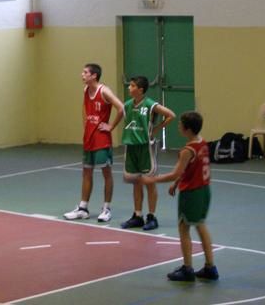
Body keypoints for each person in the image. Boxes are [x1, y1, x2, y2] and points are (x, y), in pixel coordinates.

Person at [140, 111, 219, 282]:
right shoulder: (203, 143)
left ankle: (187, 268)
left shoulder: (187, 150)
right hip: (205, 190)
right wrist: (176, 183)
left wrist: (152, 179)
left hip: (192, 193)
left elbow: (175, 172)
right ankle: (210, 266)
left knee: (184, 229)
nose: (178, 126)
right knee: (200, 226)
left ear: (187, 129)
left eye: (180, 124)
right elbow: (192, 169)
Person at [63, 63, 124, 223]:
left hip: (102, 139)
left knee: (106, 173)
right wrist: (86, 126)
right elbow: (85, 109)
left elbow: (121, 108)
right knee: (86, 172)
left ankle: (106, 209)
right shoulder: (85, 90)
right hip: (89, 137)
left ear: (94, 75)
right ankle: (83, 208)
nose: (82, 75)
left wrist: (110, 126)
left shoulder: (104, 91)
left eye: (85, 72)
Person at [120, 76, 175, 231]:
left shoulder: (150, 104)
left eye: (131, 86)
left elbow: (171, 115)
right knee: (136, 182)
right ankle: (138, 215)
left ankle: (151, 216)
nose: (129, 88)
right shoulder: (128, 105)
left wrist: (157, 129)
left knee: (149, 182)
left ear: (140, 89)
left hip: (146, 147)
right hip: (131, 147)